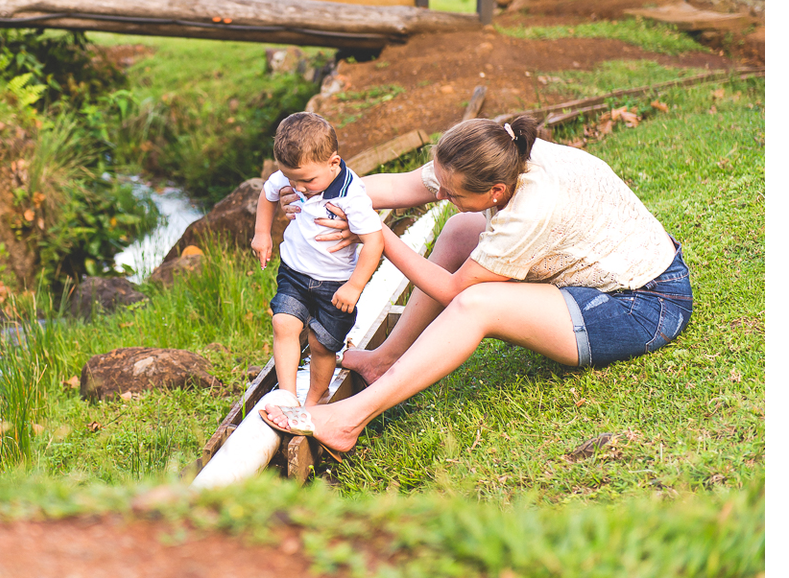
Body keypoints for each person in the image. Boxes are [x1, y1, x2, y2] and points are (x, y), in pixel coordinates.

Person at [259, 115, 693, 456]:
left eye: (451, 193)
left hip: (642, 304)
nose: (442, 197)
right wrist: (326, 197)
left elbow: (454, 291)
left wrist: (376, 233)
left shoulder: (531, 208)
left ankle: (348, 420)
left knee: (477, 303)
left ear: (496, 191)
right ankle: (383, 361)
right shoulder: (496, 151)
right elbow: (400, 186)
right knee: (458, 230)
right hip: (611, 274)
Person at [251, 112, 385, 406]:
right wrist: (262, 233)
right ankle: (287, 394)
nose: (298, 188)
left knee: (321, 344)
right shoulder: (295, 175)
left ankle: (316, 397)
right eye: (291, 179)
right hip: (294, 273)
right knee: (283, 324)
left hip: (335, 284)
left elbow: (374, 241)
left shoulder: (351, 194)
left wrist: (355, 286)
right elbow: (268, 193)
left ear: (333, 163)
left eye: (307, 180)